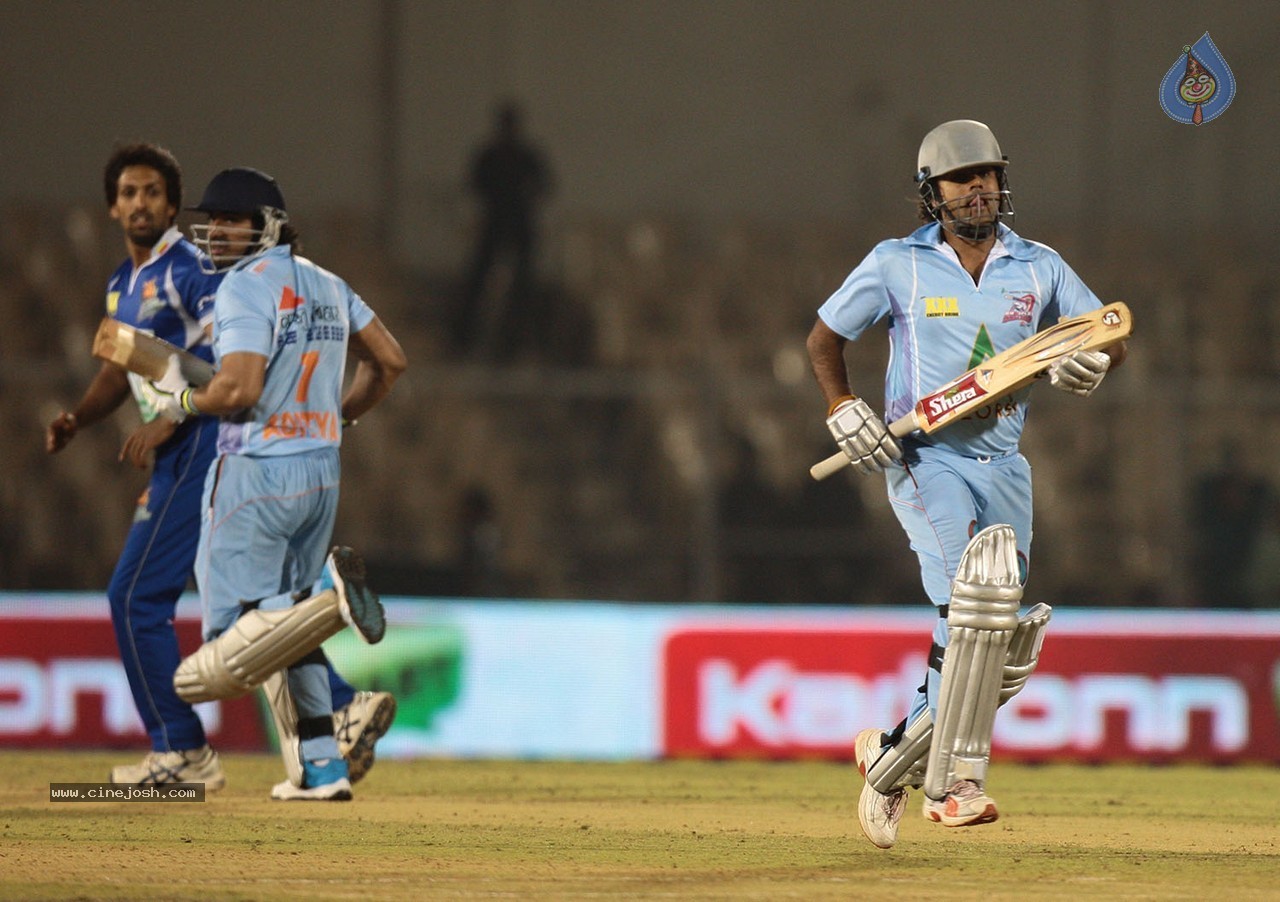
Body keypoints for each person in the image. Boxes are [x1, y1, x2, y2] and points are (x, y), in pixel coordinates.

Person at [805, 120, 1127, 849]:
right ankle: (954, 787)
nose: (979, 187)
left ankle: (889, 761)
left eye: (987, 174)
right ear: (932, 193)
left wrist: (1098, 360)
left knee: (1002, 639)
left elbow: (1105, 329)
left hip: (1006, 466)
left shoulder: (1037, 265)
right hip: (925, 459)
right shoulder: (897, 264)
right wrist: (841, 405)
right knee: (976, 612)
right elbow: (824, 339)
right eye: (962, 177)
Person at [155, 167, 407, 801]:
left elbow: (238, 387)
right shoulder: (327, 282)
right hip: (321, 471)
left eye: (230, 221)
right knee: (282, 636)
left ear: (266, 225)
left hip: (256, 471)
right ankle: (321, 768)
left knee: (227, 651)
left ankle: (328, 598)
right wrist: (341, 413)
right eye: (210, 221)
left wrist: (183, 399)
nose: (214, 232)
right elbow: (390, 361)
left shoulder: (244, 287)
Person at [45, 142, 226, 788]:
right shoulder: (122, 284)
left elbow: (226, 361)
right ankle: (185, 750)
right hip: (174, 456)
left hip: (204, 442)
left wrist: (170, 420)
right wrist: (78, 418)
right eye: (128, 193)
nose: (140, 202)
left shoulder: (190, 267)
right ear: (112, 208)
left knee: (136, 596)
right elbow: (120, 371)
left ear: (172, 204)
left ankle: (183, 754)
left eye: (152, 192)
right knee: (150, 597)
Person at [453, 100, 553, 357]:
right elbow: (475, 185)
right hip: (497, 221)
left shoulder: (524, 155)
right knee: (480, 281)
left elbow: (545, 186)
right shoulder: (492, 155)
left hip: (517, 222)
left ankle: (518, 342)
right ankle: (464, 339)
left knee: (523, 286)